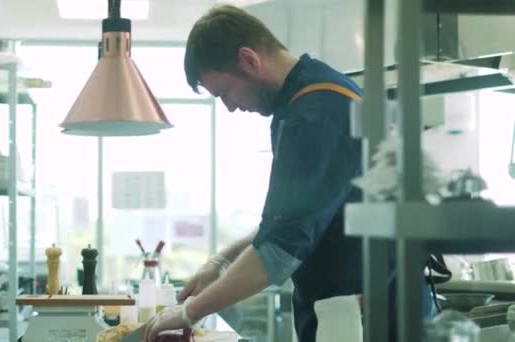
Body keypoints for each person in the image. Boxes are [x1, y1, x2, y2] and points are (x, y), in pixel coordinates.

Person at [143, 5, 432, 342]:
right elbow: (296, 221)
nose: (231, 107)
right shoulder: (312, 97)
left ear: (249, 60)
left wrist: (191, 311)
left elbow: (279, 250)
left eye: (224, 93)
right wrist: (222, 260)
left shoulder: (316, 115)